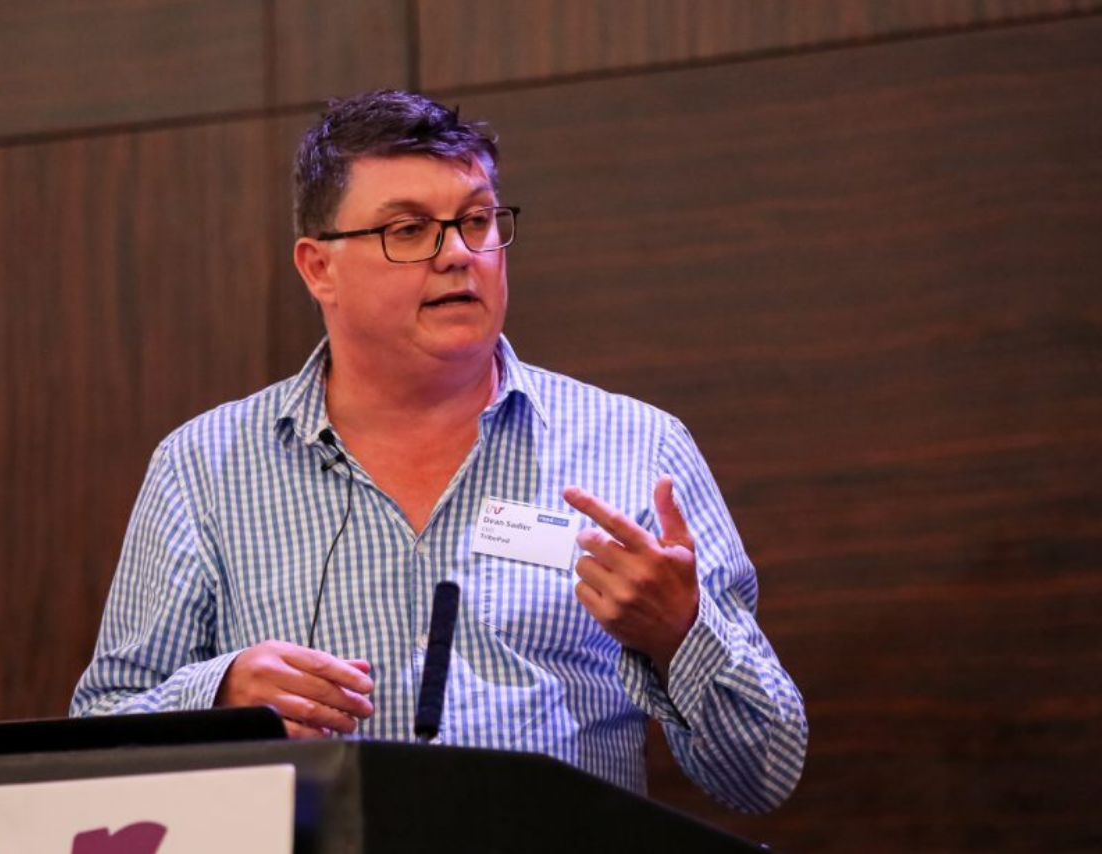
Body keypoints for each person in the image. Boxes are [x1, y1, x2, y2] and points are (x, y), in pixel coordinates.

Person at [71, 90, 807, 813]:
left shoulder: (637, 447)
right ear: (319, 267)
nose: (458, 254)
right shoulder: (203, 466)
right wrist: (218, 699)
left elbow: (765, 772)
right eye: (409, 230)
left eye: (477, 220)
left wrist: (679, 636)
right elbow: (93, 743)